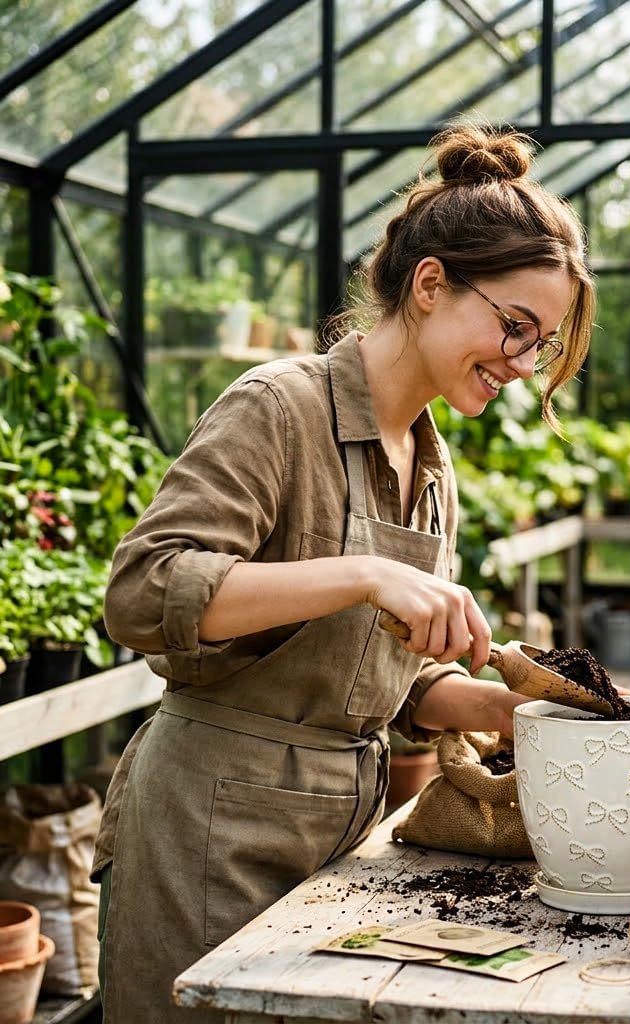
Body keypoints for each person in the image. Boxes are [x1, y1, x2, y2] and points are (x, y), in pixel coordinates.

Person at [93, 124, 595, 1023]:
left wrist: (509, 708)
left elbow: (379, 677)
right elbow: (142, 591)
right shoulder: (279, 407)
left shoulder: (431, 466)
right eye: (515, 327)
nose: (524, 364)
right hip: (211, 834)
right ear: (431, 284)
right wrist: (361, 571)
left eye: (542, 345)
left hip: (343, 841)